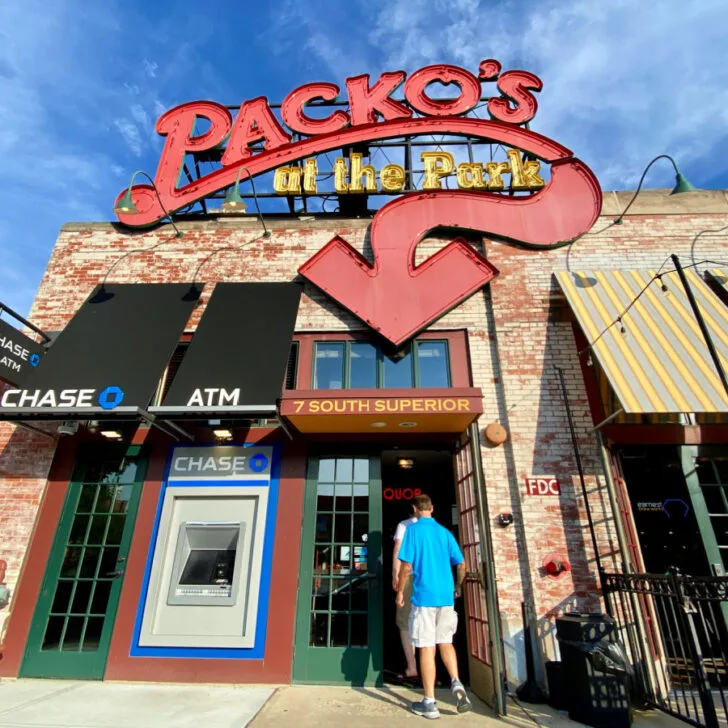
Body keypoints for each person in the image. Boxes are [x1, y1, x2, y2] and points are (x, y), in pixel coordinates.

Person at [397, 493, 471, 719]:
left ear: (415, 509)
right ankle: (456, 681)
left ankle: (429, 702)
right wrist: (458, 586)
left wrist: (400, 591)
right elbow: (461, 564)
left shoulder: (413, 531)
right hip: (446, 597)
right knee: (446, 642)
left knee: (427, 647)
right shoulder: (445, 533)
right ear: (432, 508)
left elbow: (406, 566)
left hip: (424, 598)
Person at [392, 502, 418, 681]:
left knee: (405, 623)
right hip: (430, 578)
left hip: (409, 576)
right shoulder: (438, 529)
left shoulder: (404, 525)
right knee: (427, 620)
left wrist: (396, 575)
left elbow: (398, 550)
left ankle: (412, 667)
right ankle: (430, 668)